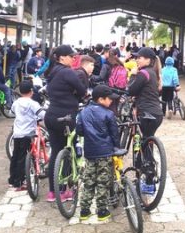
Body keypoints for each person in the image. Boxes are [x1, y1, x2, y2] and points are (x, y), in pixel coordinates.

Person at [44, 44, 87, 202]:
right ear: (62, 58)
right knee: (69, 151)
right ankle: (63, 191)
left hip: (51, 115)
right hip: (66, 117)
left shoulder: (52, 71)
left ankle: (52, 192)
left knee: (56, 152)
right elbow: (82, 90)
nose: (73, 59)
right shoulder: (67, 72)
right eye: (71, 56)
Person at [76, 85, 121, 222]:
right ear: (101, 99)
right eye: (109, 99)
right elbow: (114, 134)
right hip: (105, 152)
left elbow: (79, 131)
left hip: (90, 152)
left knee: (89, 181)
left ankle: (84, 210)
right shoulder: (108, 114)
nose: (111, 101)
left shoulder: (83, 112)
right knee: (103, 182)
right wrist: (116, 148)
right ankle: (102, 211)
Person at [127, 47, 163, 195]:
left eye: (139, 58)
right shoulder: (153, 73)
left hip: (146, 113)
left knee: (145, 143)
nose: (137, 60)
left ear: (148, 60)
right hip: (157, 113)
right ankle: (145, 168)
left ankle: (148, 179)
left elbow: (131, 90)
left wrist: (132, 75)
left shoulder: (143, 73)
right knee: (147, 142)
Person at [8, 80, 44, 190]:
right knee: (23, 158)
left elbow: (11, 113)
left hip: (17, 133)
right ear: (31, 91)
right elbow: (42, 114)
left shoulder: (16, 102)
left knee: (16, 156)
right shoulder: (33, 103)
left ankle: (12, 179)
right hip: (28, 133)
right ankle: (20, 181)